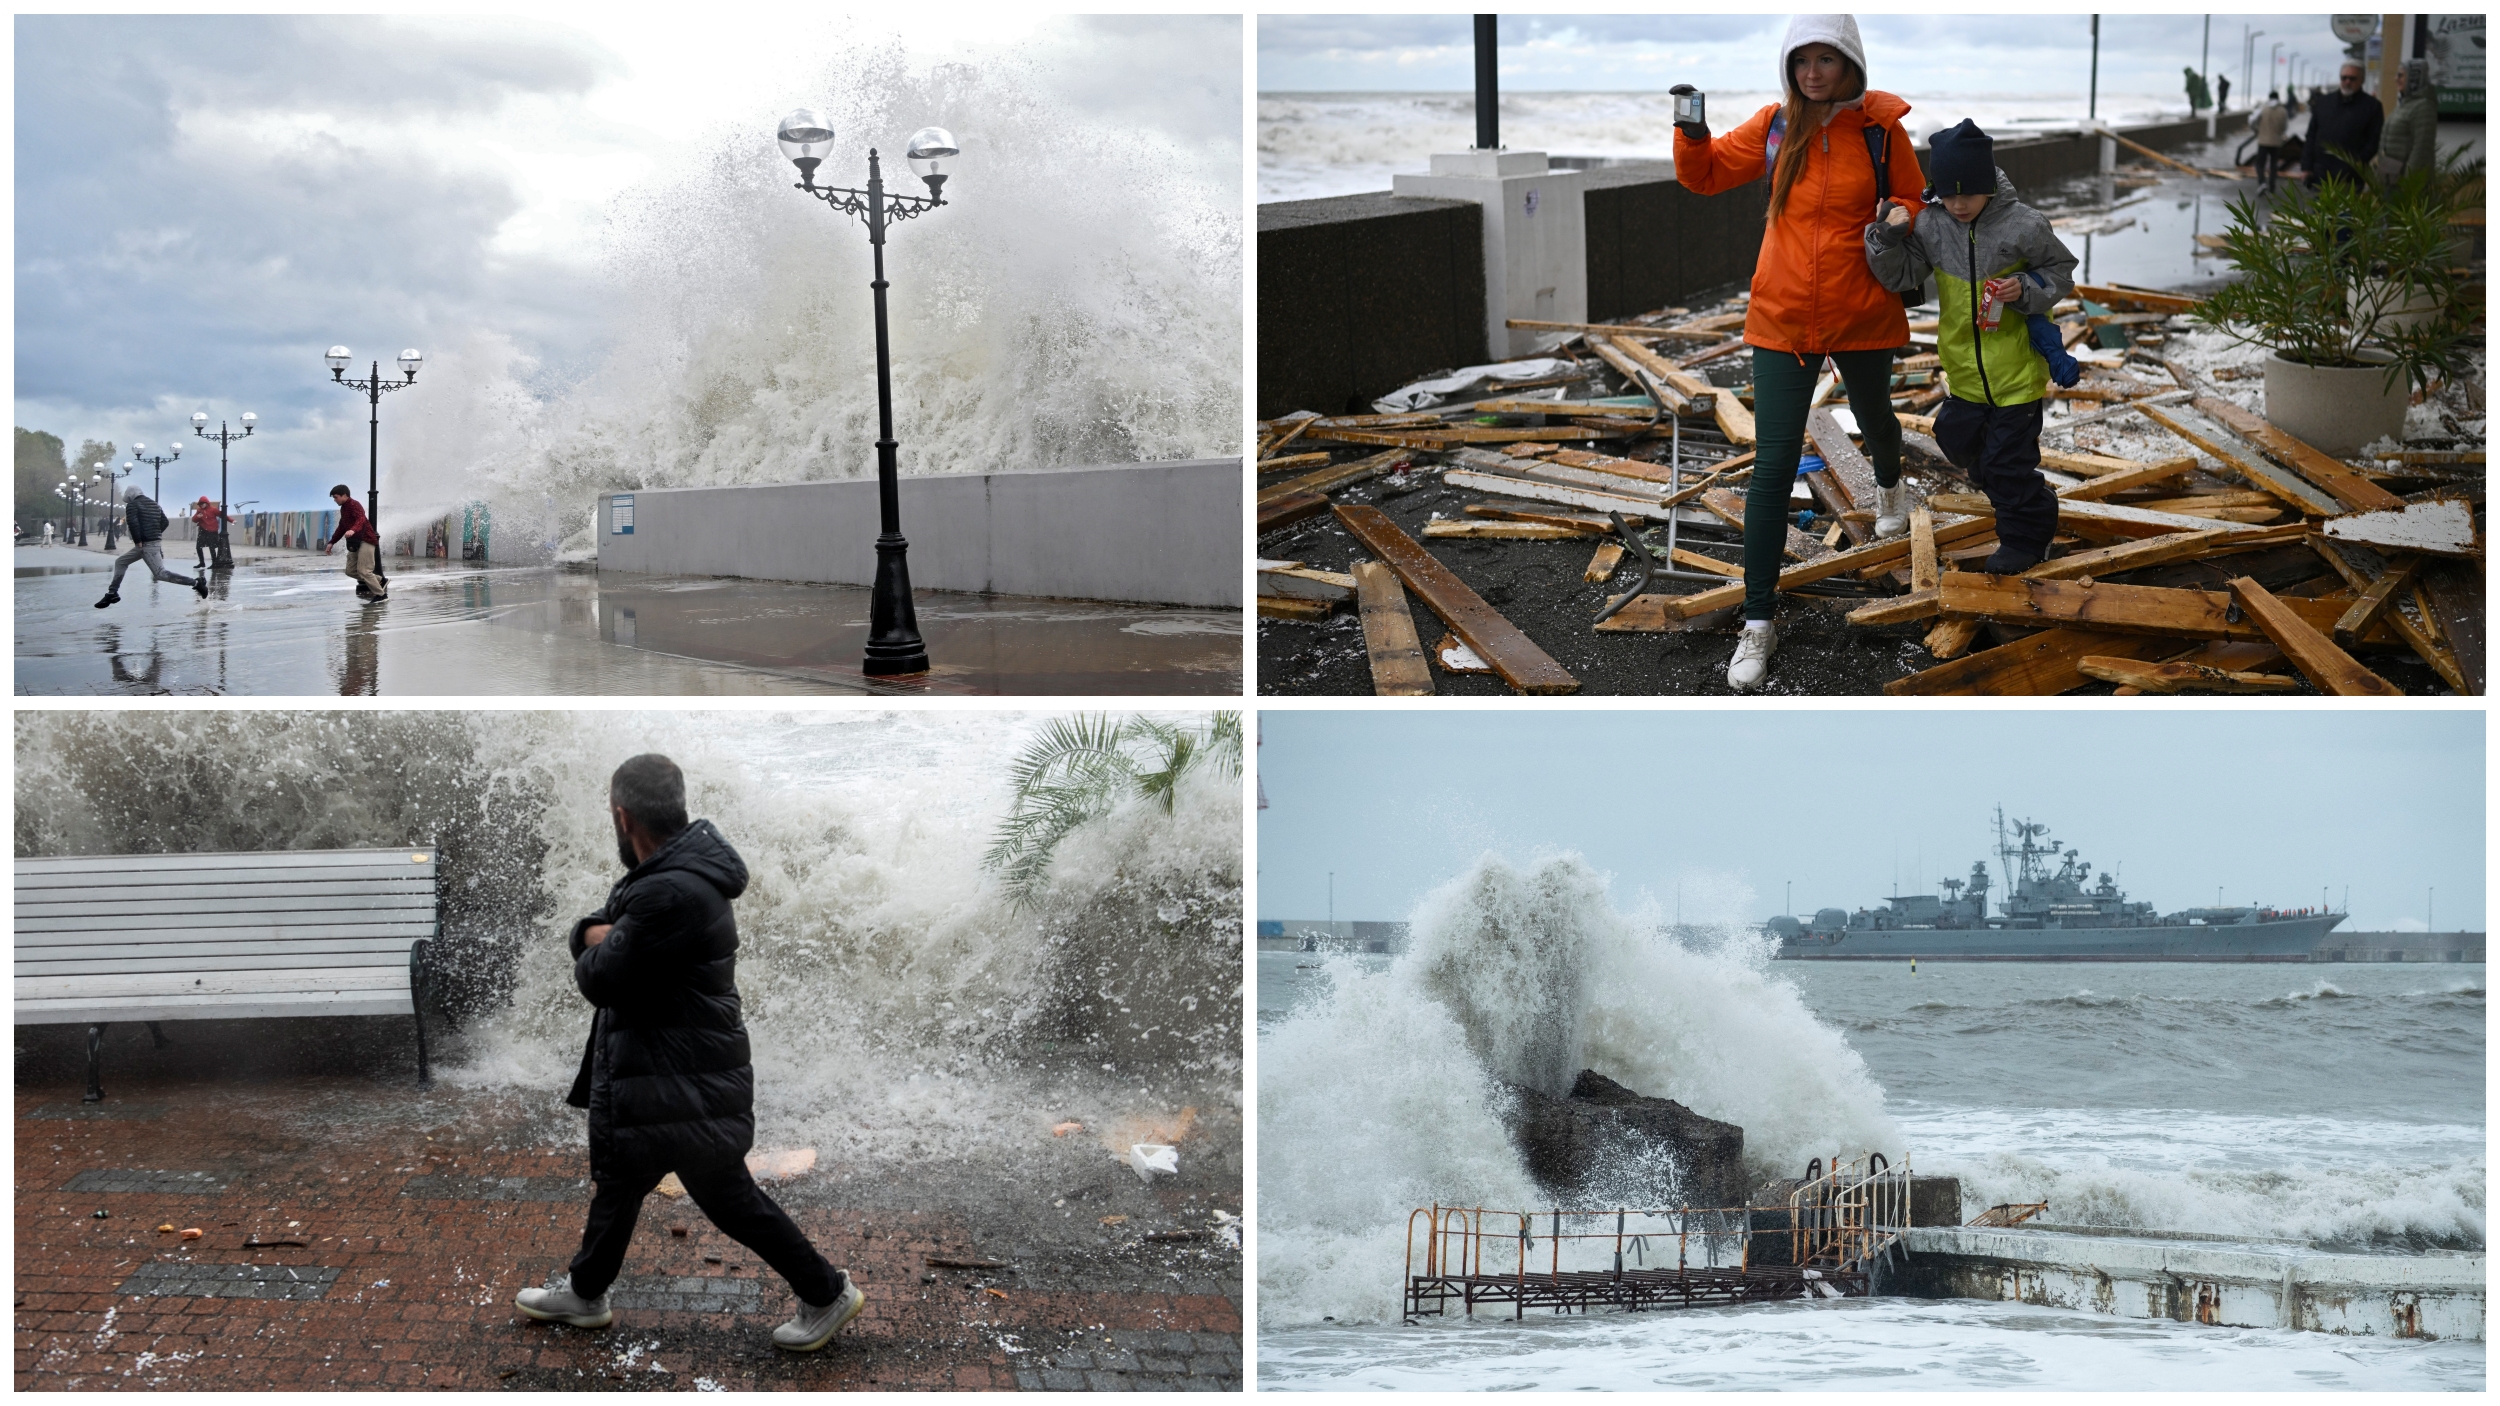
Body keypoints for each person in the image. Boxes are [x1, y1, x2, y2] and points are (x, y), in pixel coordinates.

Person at [514, 754, 865, 1353]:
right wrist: (598, 932)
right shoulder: (673, 874)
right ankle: (586, 1292)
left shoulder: (669, 891)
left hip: (683, 1080)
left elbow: (600, 975)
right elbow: (610, 927)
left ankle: (826, 1292)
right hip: (665, 1072)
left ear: (623, 817)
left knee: (727, 1198)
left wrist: (591, 936)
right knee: (620, 1182)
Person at [1672, 13, 1926, 692]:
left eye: (1827, 59)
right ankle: (1758, 621)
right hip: (1782, 314)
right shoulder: (1775, 126)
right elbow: (1705, 175)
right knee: (1773, 463)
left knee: (1875, 418)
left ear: (1850, 64)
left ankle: (1891, 485)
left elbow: (1912, 195)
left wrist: (1901, 216)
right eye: (1802, 60)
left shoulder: (1880, 129)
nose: (1813, 73)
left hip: (1861, 303)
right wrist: (1691, 133)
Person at [1865, 119, 2079, 576]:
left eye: (1969, 194)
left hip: (2016, 373)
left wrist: (2025, 287)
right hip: (1963, 371)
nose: (1959, 204)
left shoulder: (2023, 224)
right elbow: (1900, 276)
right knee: (1955, 439)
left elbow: (2060, 271)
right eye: (1948, 194)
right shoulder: (1933, 225)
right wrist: (1884, 238)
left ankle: (2025, 540)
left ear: (1989, 185)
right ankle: (2020, 491)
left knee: (2006, 466)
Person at [95, 485, 209, 608]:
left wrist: (138, 540)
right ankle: (112, 593)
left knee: (160, 573)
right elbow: (165, 522)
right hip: (151, 543)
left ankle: (196, 583)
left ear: (130, 495)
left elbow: (133, 523)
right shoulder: (154, 504)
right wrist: (155, 534)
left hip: (145, 544)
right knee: (121, 562)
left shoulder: (132, 505)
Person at [2305, 62, 2385, 189]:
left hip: (2350, 178)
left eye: (2352, 78)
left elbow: (2374, 141)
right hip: (2321, 174)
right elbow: (2311, 135)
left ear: (2362, 80)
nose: (2347, 82)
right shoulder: (2324, 102)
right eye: (2344, 78)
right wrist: (2306, 166)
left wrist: (2355, 163)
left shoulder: (2372, 106)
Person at [321, 484, 387, 603]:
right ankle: (380, 580)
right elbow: (341, 527)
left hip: (366, 539)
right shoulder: (344, 508)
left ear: (344, 495)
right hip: (355, 542)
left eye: (336, 497)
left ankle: (381, 595)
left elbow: (361, 519)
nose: (334, 500)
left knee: (364, 571)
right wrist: (331, 542)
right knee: (350, 571)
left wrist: (353, 529)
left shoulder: (354, 504)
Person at [2376, 59, 2440, 180]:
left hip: (2405, 182)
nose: (2396, 79)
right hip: (2391, 178)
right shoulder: (2406, 104)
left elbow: (2421, 149)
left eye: (2400, 75)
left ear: (2414, 78)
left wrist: (2409, 183)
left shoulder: (2423, 106)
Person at [2253, 91, 2291, 194]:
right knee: (2273, 165)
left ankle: (2262, 183)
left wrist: (2257, 130)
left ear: (2269, 98)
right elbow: (2284, 127)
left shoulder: (2263, 108)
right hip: (2277, 142)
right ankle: (2272, 186)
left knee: (2260, 164)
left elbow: (2253, 120)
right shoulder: (2283, 111)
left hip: (2263, 141)